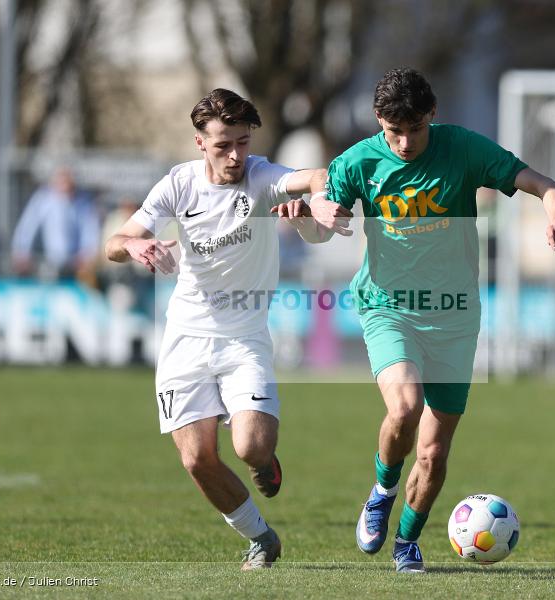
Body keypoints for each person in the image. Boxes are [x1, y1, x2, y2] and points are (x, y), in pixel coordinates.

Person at [298, 68, 555, 572]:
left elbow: (541, 182)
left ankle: (406, 541)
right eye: (392, 132)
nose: (404, 143)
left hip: (453, 316)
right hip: (387, 307)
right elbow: (323, 222)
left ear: (433, 115)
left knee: (432, 453)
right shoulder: (359, 160)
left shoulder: (463, 149)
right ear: (379, 121)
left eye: (414, 130)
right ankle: (382, 490)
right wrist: (311, 216)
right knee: (405, 407)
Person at [105, 88, 331, 570]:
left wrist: (314, 199)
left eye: (243, 143)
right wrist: (137, 247)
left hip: (244, 337)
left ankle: (263, 461)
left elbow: (317, 175)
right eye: (224, 145)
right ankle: (260, 538)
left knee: (250, 446)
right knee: (196, 460)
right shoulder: (178, 185)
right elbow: (113, 243)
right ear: (199, 143)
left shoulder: (263, 176)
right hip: (185, 336)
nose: (235, 156)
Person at [10, 166, 101, 283]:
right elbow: (28, 227)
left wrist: (87, 255)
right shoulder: (43, 198)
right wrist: (22, 251)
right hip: (48, 263)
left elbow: (90, 231)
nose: (65, 183)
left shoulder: (84, 202)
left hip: (75, 266)